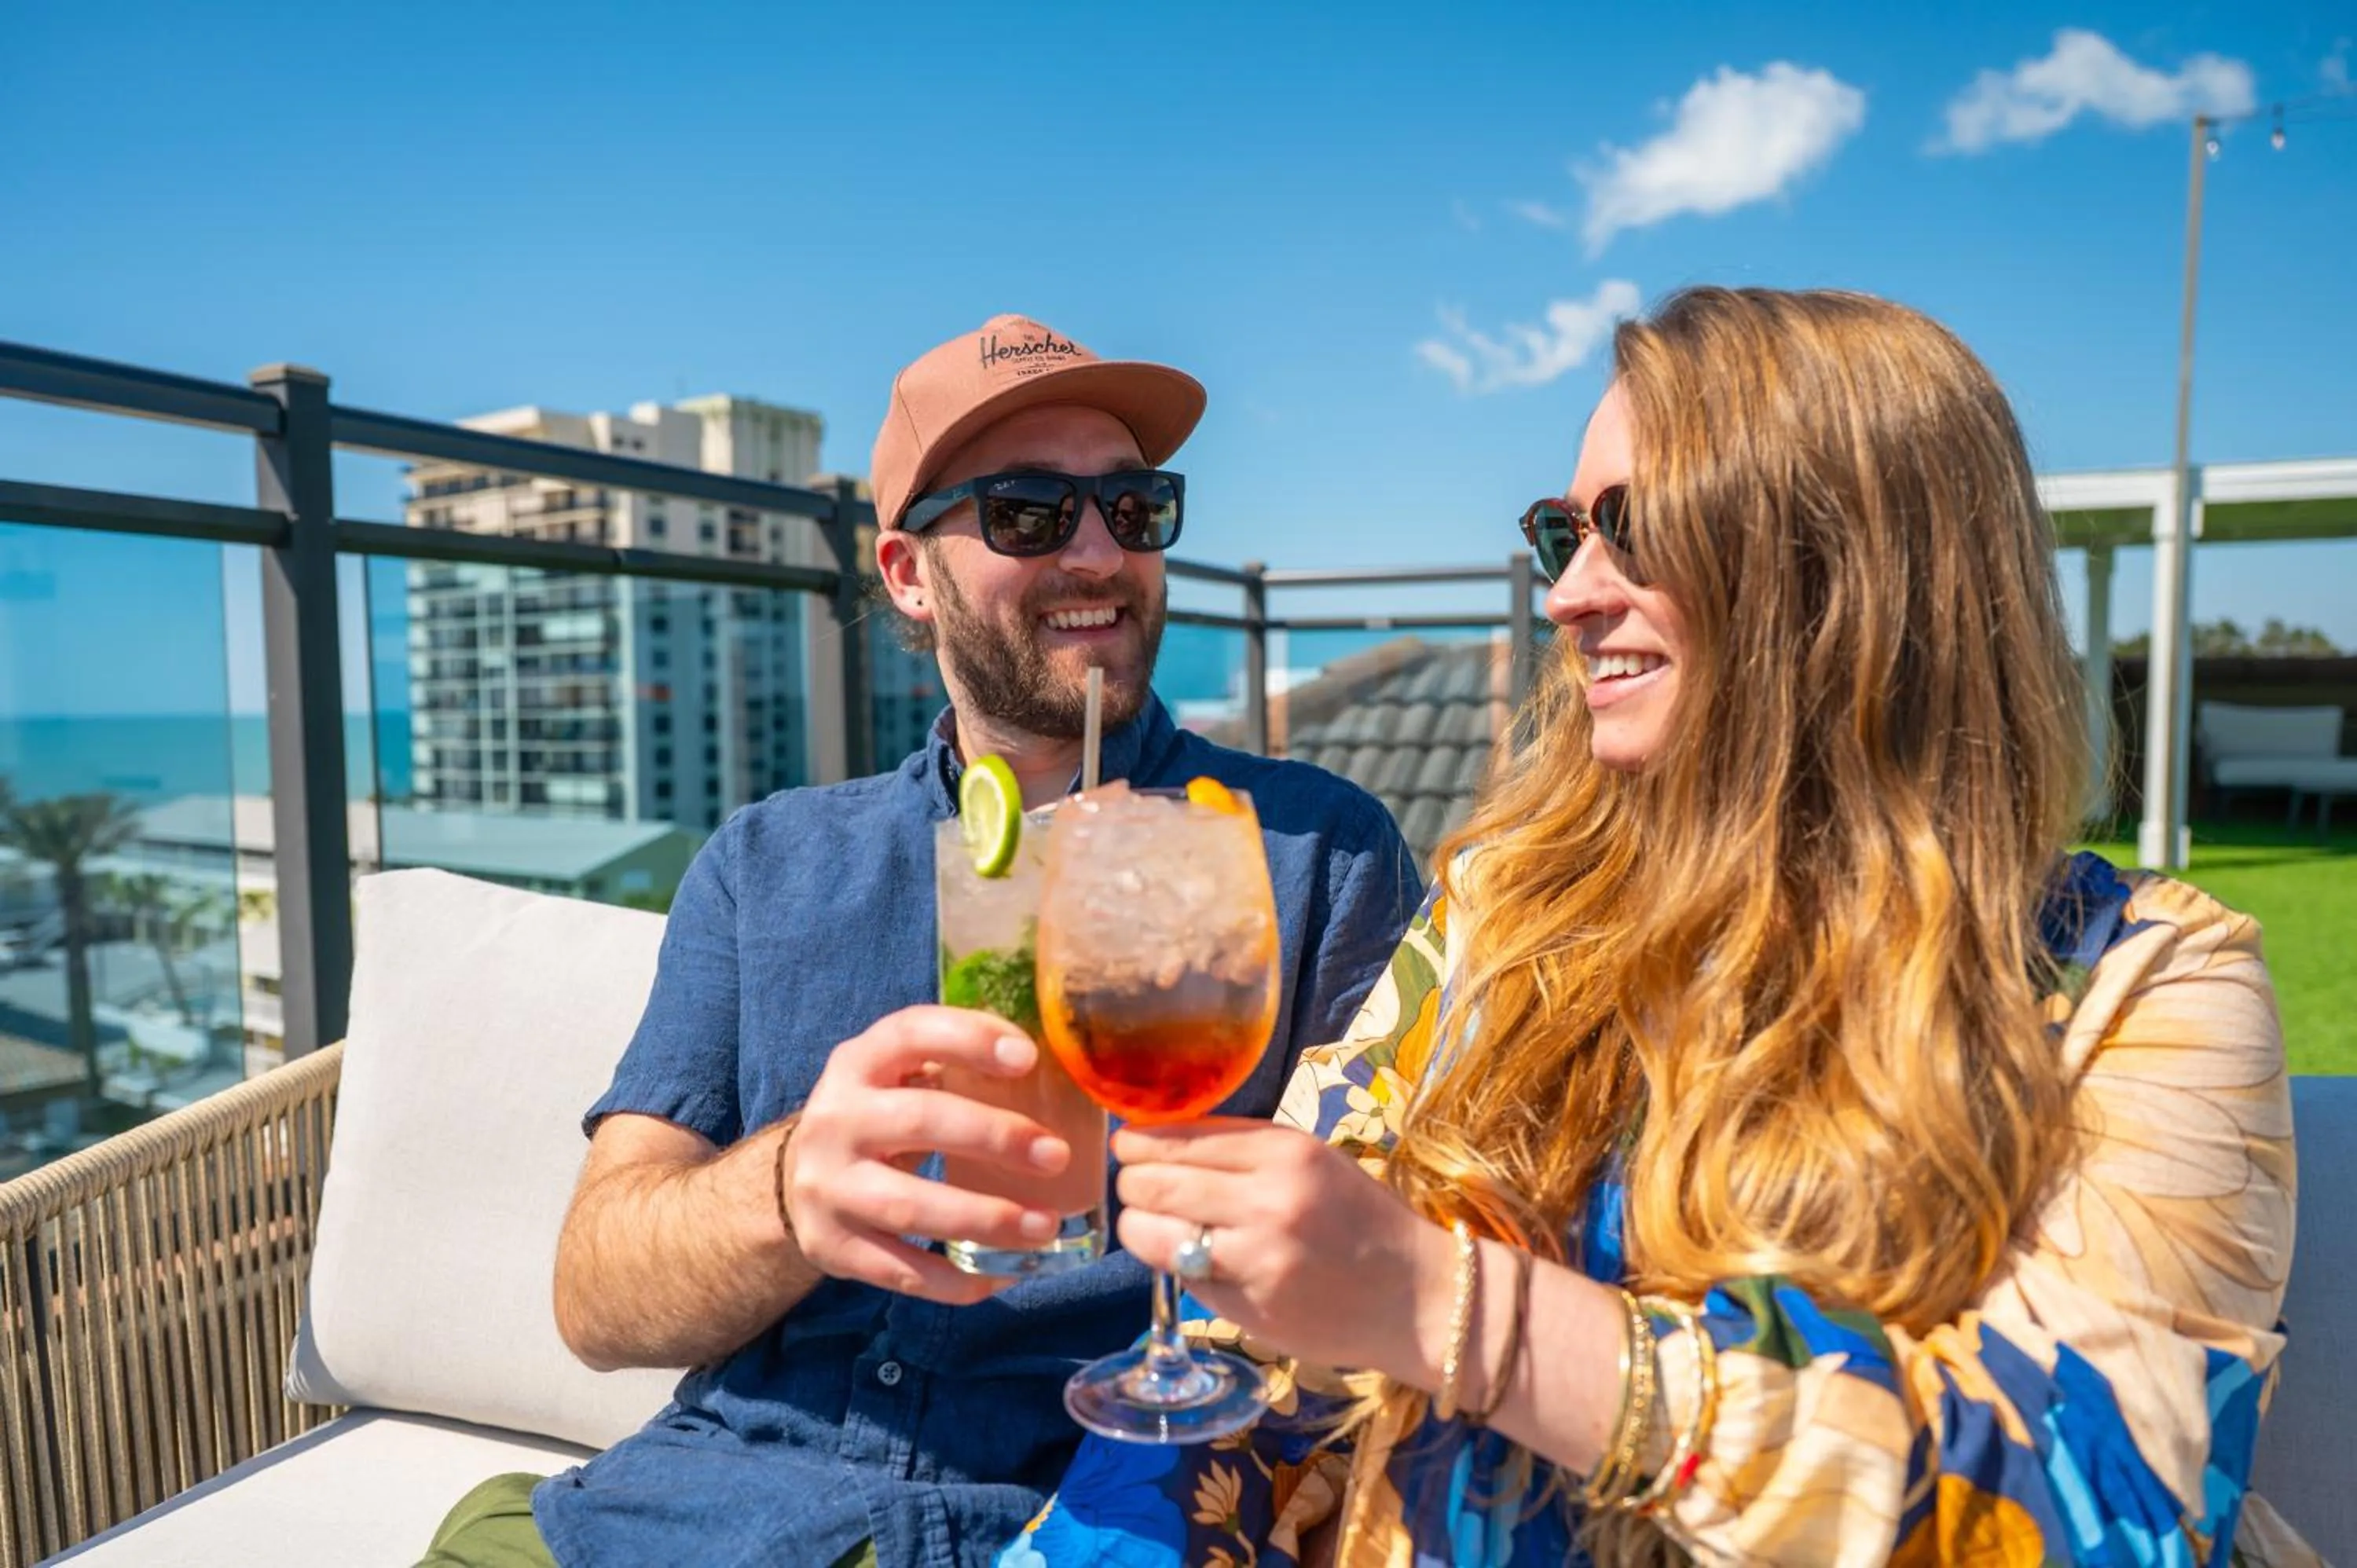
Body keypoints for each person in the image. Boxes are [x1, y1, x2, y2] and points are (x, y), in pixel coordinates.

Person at [1004, 288, 2320, 1567]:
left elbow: (2098, 1508)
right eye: (1562, 534)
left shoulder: (2136, 986)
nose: (1570, 596)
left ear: (1855, 567)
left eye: (1635, 528)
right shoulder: (1500, 915)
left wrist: (1452, 1309)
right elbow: (1257, 1343)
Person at [416, 315, 1420, 1568]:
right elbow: (597, 1297)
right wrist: (788, 1191)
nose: (1099, 551)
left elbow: (1403, 1269)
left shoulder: (1310, 853)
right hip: (691, 1513)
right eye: (1027, 512)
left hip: (1075, 1518)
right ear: (905, 572)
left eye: (1133, 506)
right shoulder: (767, 864)